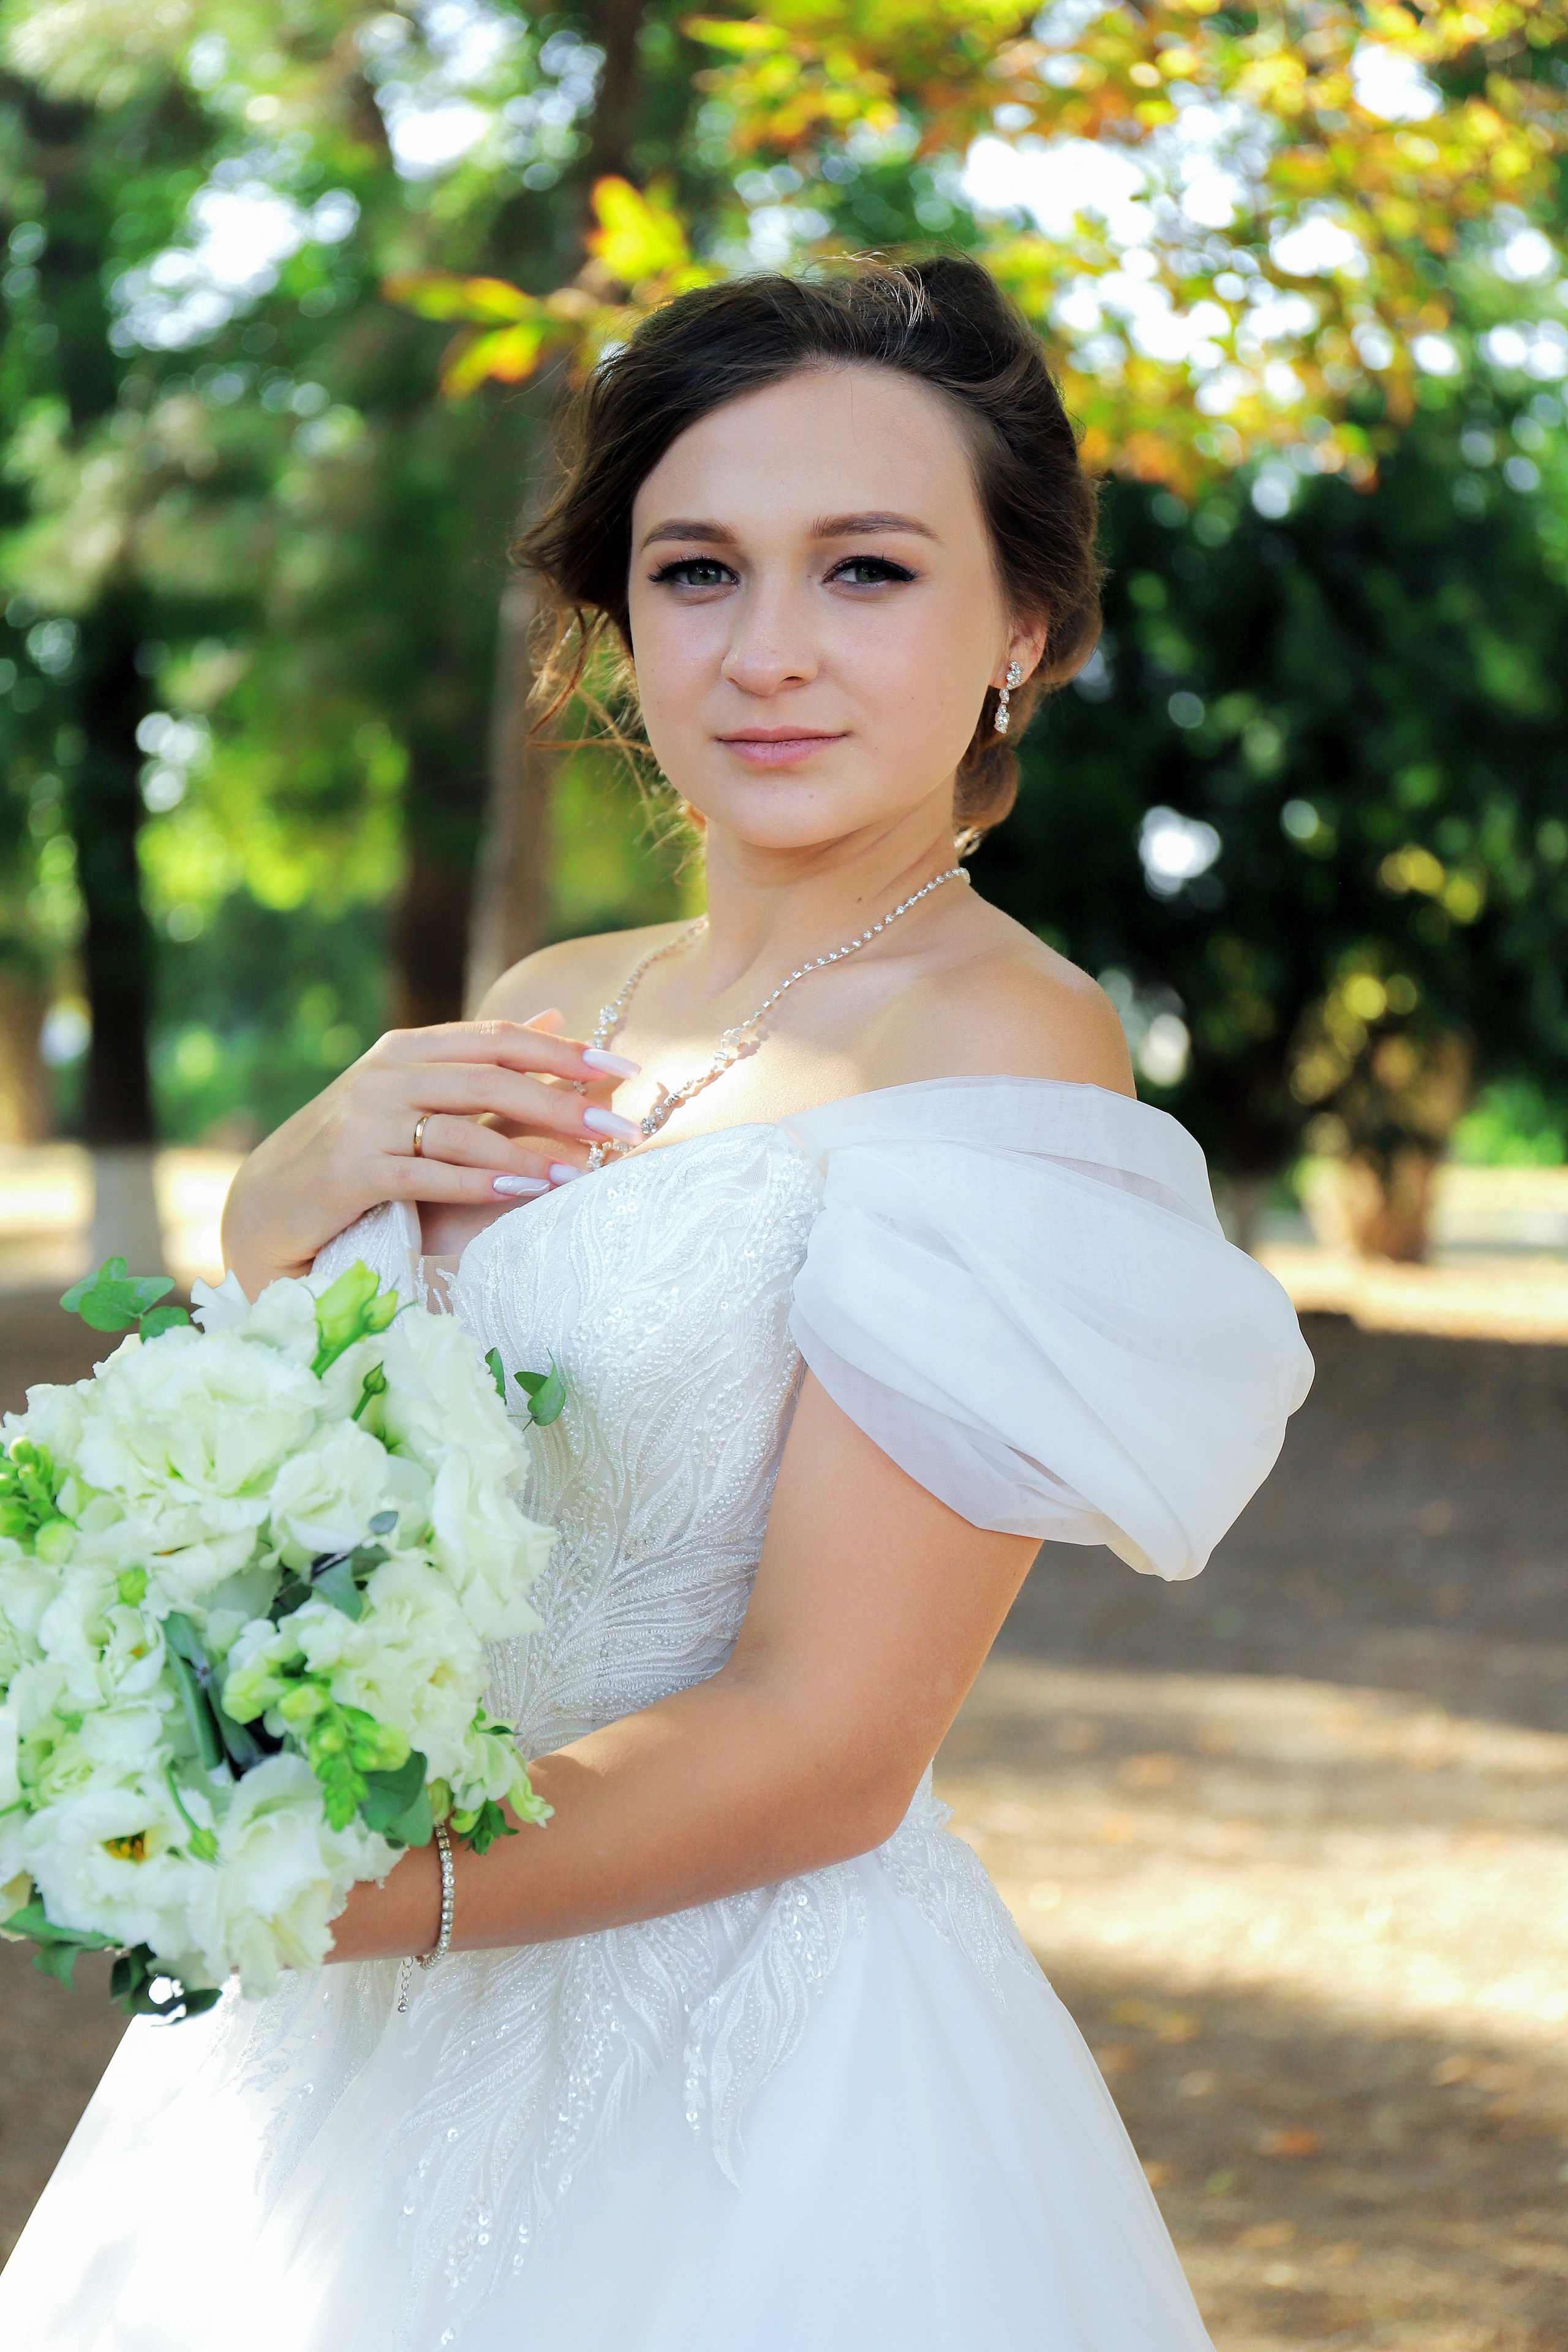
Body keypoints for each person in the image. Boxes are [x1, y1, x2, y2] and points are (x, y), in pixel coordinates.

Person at [0, 255, 1313, 2351]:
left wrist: (309, 1895)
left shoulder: (1000, 1048)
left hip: (721, 2042)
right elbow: (337, 1447)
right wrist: (284, 1196)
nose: (768, 653)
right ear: (621, 624)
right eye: (697, 570)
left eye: (868, 571)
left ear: (1024, 632)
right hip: (333, 2025)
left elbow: (827, 1739)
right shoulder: (555, 999)